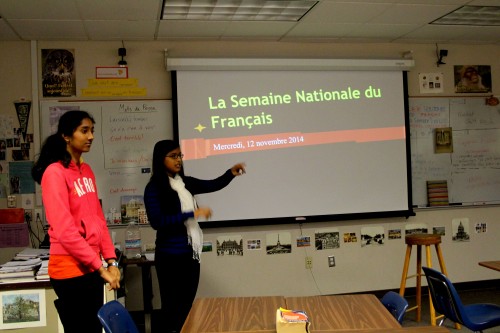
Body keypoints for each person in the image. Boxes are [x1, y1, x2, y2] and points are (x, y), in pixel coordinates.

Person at [31, 110, 120, 333]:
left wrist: (111, 261)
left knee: (93, 328)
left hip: (91, 267)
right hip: (69, 270)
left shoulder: (87, 170)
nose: (90, 136)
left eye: (92, 131)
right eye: (84, 130)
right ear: (66, 136)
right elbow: (65, 231)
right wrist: (101, 268)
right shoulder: (54, 173)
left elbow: (99, 220)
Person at [144, 140, 246, 333]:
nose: (178, 160)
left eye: (179, 156)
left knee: (186, 307)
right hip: (169, 257)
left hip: (190, 255)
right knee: (172, 309)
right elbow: (157, 222)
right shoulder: (154, 188)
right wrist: (191, 214)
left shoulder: (185, 183)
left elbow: (211, 184)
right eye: (173, 156)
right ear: (160, 159)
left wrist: (230, 174)